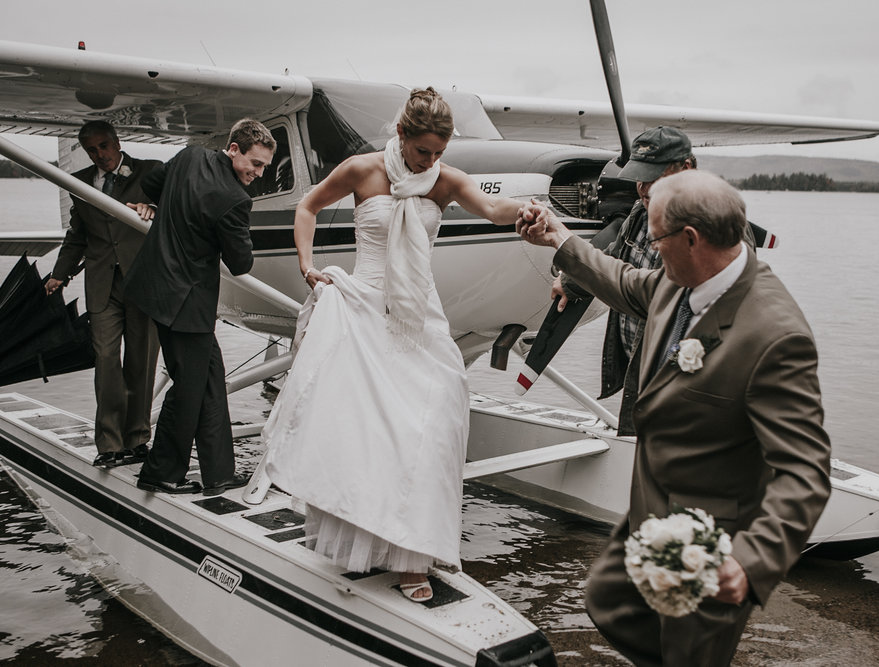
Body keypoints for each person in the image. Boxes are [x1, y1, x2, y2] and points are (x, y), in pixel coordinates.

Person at [517, 170, 832, 665]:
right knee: (606, 601)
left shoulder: (775, 336)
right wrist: (559, 237)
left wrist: (749, 563)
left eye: (656, 237)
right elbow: (619, 280)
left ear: (691, 239)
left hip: (708, 545)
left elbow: (806, 472)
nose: (650, 246)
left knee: (689, 657)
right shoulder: (679, 279)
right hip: (649, 514)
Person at [264, 88, 528, 602]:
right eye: (423, 151)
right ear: (401, 135)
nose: (431, 162)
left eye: (439, 153)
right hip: (365, 307)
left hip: (419, 316)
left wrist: (532, 210)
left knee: (435, 425)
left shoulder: (445, 179)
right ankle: (376, 545)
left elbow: (495, 209)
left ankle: (415, 551)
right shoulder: (361, 170)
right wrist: (306, 265)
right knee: (369, 430)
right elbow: (307, 206)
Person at [123, 118, 275, 496]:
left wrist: (155, 207)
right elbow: (241, 263)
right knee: (188, 390)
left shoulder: (190, 156)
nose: (258, 174)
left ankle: (219, 472)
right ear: (234, 148)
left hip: (155, 285)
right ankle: (159, 473)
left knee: (209, 379)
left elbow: (153, 184)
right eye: (254, 164)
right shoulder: (236, 200)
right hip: (186, 304)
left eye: (264, 168)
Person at [553, 126, 696, 436]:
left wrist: (563, 245)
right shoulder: (642, 212)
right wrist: (572, 283)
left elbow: (649, 293)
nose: (643, 189)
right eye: (640, 179)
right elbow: (616, 257)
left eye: (653, 177)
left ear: (686, 169)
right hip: (640, 371)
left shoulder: (712, 232)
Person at [45, 121, 160, 468]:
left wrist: (152, 209)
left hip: (142, 282)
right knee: (106, 361)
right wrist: (59, 274)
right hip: (101, 285)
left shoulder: (150, 172)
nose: (100, 155)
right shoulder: (78, 183)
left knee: (141, 362)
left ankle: (138, 438)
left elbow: (174, 210)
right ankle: (110, 443)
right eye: (92, 150)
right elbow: (77, 234)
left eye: (104, 146)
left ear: (117, 142)